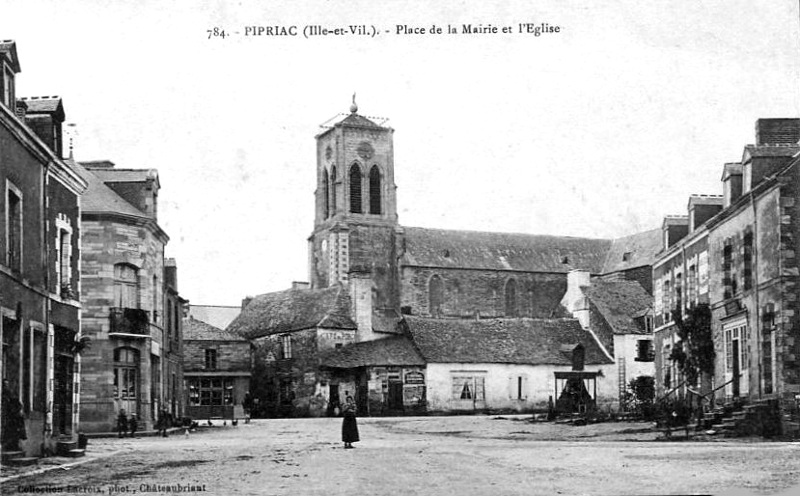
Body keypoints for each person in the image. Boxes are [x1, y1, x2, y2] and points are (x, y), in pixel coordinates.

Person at [1, 379, 27, 451]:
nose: (6, 386)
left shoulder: (10, 393)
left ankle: (14, 446)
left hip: (10, 417)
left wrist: (16, 410)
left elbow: (16, 403)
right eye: (4, 385)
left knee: (13, 431)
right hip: (5, 416)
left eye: (7, 385)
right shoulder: (4, 394)